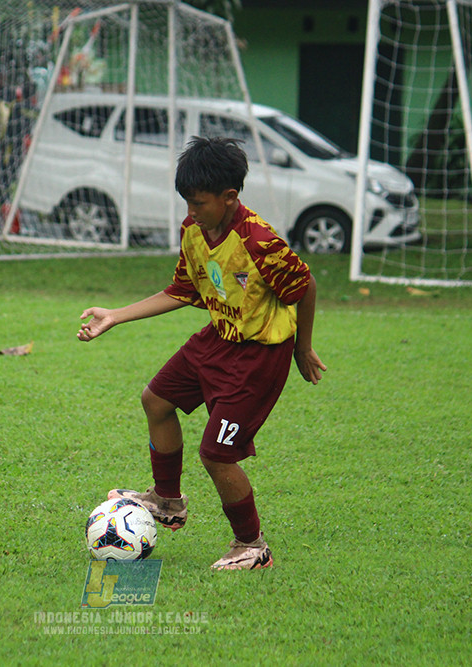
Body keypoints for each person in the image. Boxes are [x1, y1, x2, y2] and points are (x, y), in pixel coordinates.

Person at [77, 136, 327, 570]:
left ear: (230, 198)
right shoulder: (193, 230)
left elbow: (305, 288)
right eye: (186, 202)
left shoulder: (259, 241)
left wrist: (301, 349)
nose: (190, 212)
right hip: (218, 340)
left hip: (259, 357)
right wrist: (115, 315)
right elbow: (182, 290)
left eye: (199, 203)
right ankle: (168, 500)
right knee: (155, 399)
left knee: (216, 453)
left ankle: (253, 546)